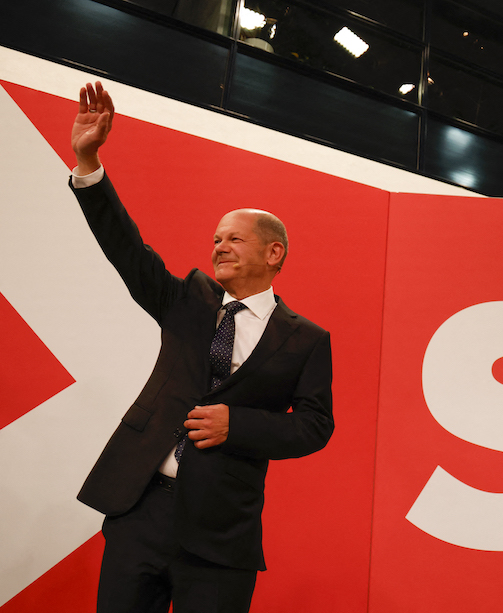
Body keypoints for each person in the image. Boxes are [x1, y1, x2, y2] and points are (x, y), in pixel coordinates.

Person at [69, 81, 335, 613]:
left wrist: (237, 424)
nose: (219, 246)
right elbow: (127, 250)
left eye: (234, 238)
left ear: (273, 252)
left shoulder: (307, 339)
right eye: (215, 238)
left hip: (221, 535)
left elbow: (314, 426)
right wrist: (88, 163)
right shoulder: (188, 299)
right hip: (139, 510)